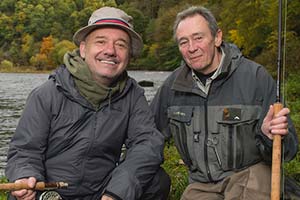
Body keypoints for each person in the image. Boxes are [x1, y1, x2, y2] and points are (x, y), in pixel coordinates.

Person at [5, 6, 170, 200]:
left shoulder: (133, 96)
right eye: (101, 42)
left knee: (157, 180)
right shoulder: (46, 94)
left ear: (129, 55)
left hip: (101, 192)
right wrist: (25, 175)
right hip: (51, 192)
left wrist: (116, 193)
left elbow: (147, 145)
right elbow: (25, 150)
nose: (110, 51)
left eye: (121, 45)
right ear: (83, 49)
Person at [150, 6, 298, 200]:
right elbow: (148, 136)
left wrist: (269, 136)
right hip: (201, 185)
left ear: (217, 37)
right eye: (183, 42)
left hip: (251, 176)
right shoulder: (171, 87)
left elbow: (290, 149)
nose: (192, 48)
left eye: (198, 38)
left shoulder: (255, 78)